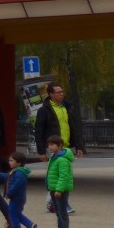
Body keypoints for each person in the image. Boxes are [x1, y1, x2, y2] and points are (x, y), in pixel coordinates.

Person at [34, 82, 84, 215]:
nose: (61, 94)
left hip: (65, 147)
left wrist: (79, 145)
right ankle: (61, 204)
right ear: (50, 95)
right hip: (53, 148)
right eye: (58, 92)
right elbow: (38, 130)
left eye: (62, 92)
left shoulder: (67, 107)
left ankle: (53, 204)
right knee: (57, 176)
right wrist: (41, 150)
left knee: (63, 175)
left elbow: (74, 127)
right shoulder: (44, 110)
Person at [45, 134, 75, 228]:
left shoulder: (62, 160)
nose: (49, 147)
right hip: (54, 188)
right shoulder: (54, 157)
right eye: (49, 144)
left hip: (59, 190)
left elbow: (63, 176)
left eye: (52, 145)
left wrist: (59, 189)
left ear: (60, 145)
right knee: (58, 211)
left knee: (62, 212)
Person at [0, 150, 37, 228]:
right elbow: (6, 176)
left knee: (12, 213)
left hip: (17, 197)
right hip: (18, 197)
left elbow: (17, 185)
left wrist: (9, 193)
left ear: (19, 163)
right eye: (9, 160)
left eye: (12, 161)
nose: (9, 162)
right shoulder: (15, 171)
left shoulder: (19, 173)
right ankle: (30, 225)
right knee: (16, 213)